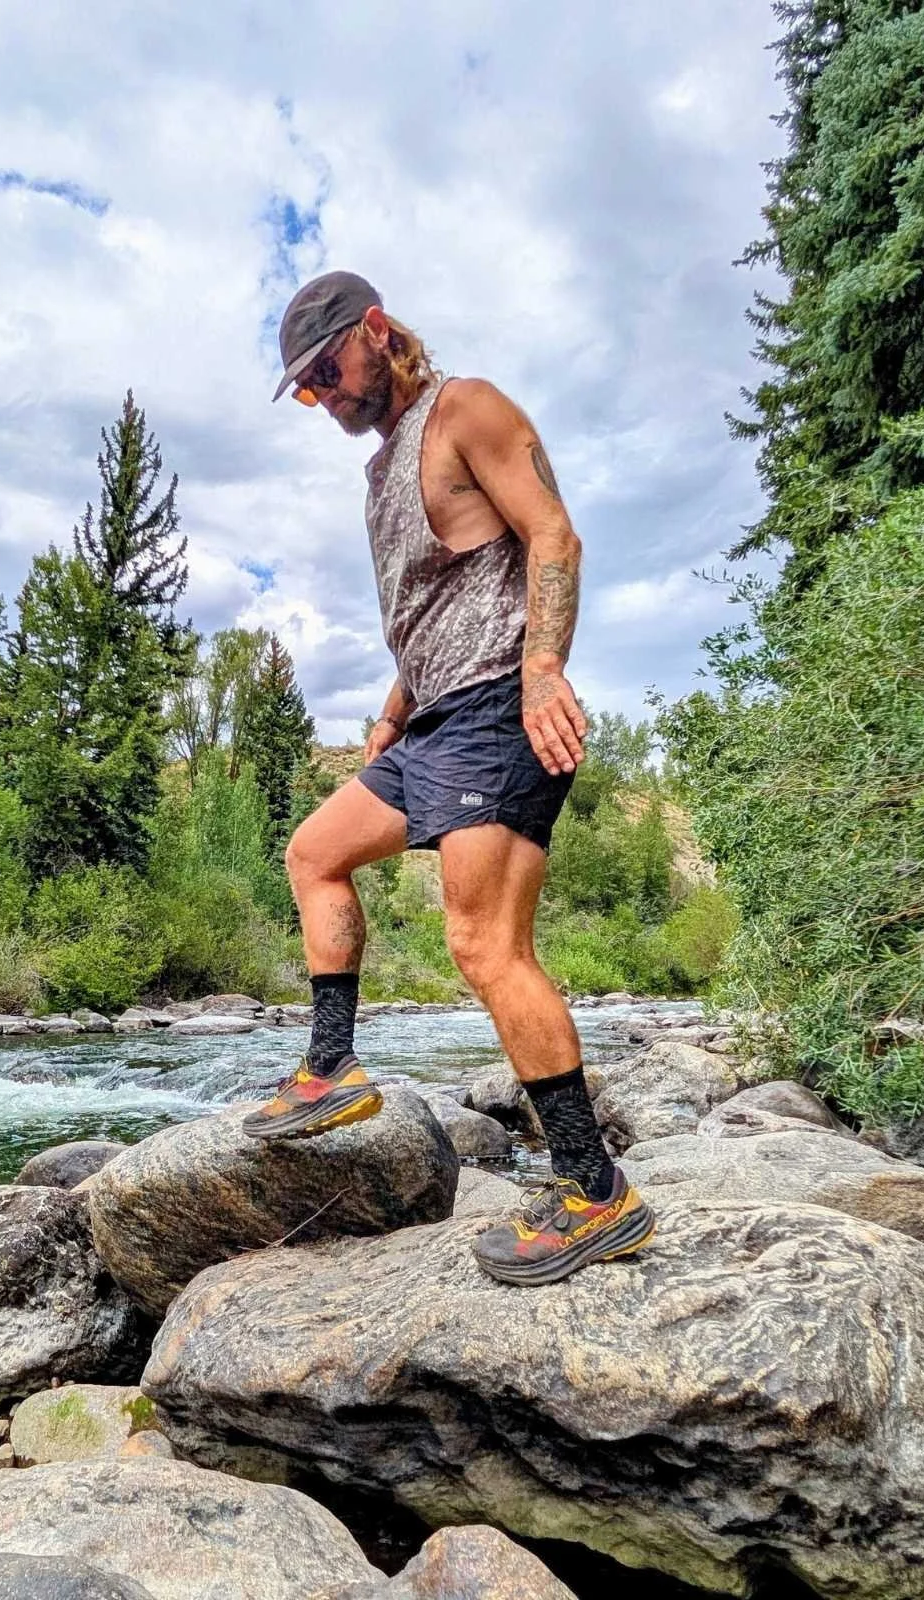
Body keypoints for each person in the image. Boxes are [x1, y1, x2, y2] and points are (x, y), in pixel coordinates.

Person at [240, 270, 655, 1286]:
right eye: (305, 390)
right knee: (314, 852)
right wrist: (389, 714)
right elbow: (432, 610)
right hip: (429, 723)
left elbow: (552, 535)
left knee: (484, 943)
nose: (324, 398)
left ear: (375, 333)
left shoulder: (464, 408)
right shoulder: (378, 473)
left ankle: (597, 1192)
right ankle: (331, 1065)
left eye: (327, 371)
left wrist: (543, 669)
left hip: (497, 710)